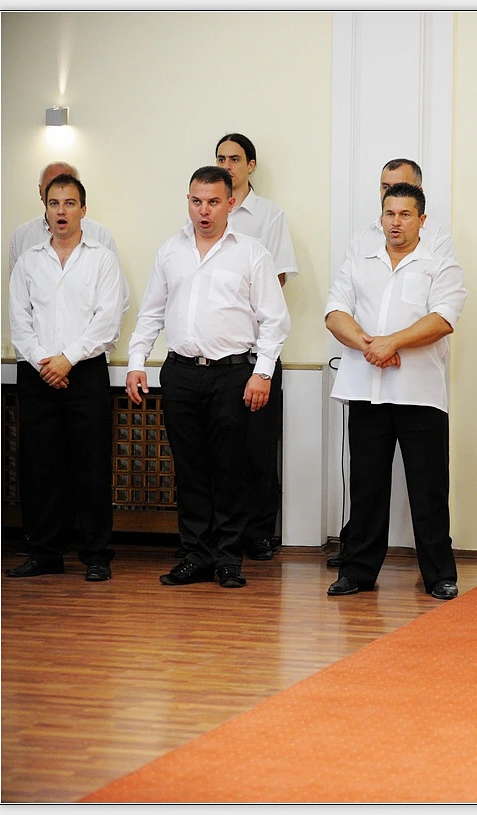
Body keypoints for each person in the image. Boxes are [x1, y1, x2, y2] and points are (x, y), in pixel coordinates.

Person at [125, 166, 290, 589]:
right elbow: (151, 313)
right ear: (188, 201)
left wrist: (262, 373)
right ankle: (195, 555)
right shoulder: (170, 251)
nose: (204, 210)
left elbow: (275, 320)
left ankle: (228, 558)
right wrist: (136, 362)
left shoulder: (251, 253)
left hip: (232, 374)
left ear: (230, 203)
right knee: (190, 470)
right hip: (180, 373)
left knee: (230, 469)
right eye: (197, 201)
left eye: (213, 202)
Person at [324, 182, 467, 600]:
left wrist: (393, 342)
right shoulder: (359, 262)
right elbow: (334, 312)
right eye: (390, 214)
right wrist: (371, 345)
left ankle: (439, 574)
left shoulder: (440, 265)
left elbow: (443, 318)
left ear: (422, 220)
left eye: (405, 215)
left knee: (428, 488)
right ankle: (358, 572)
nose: (396, 222)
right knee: (366, 485)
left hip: (419, 392)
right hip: (365, 388)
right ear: (381, 217)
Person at [6, 173, 127, 581]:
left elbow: (106, 321)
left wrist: (67, 360)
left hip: (85, 372)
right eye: (54, 203)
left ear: (83, 210)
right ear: (45, 210)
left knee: (90, 465)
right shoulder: (29, 260)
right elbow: (19, 321)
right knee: (41, 466)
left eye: (70, 203)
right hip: (37, 373)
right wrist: (46, 362)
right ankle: (44, 553)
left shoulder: (101, 259)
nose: (61, 211)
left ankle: (95, 555)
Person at [214, 133, 298, 562]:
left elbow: (277, 277)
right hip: (219, 354)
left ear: (251, 166)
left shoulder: (268, 215)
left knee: (259, 448)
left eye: (235, 159)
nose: (227, 165)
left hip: (257, 349)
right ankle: (222, 533)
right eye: (221, 158)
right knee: (223, 451)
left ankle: (260, 532)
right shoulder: (207, 213)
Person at [9, 162, 118, 272]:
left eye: (69, 203)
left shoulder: (100, 235)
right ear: (40, 190)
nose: (60, 190)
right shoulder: (21, 237)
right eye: (52, 184)